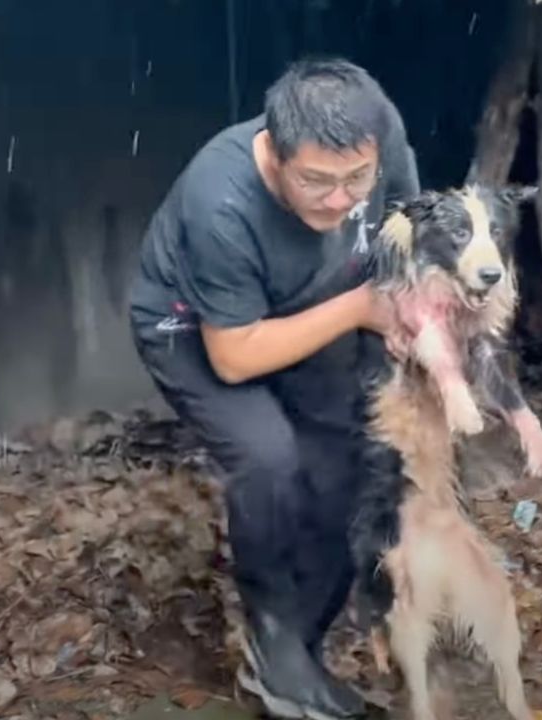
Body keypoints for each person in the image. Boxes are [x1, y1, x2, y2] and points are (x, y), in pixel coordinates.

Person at [127, 57, 420, 719]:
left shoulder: (377, 127)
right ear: (276, 153)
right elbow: (233, 358)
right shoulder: (220, 199)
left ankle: (293, 657)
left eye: (356, 179)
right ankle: (272, 632)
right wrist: (359, 311)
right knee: (268, 457)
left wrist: (411, 312)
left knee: (351, 463)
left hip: (312, 303)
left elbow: (404, 228)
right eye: (317, 181)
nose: (342, 200)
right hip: (196, 330)